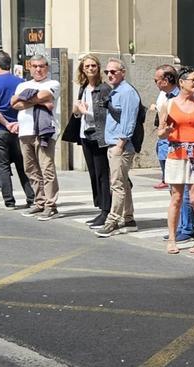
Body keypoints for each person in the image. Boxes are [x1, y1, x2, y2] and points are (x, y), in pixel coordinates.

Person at [160, 66, 194, 254]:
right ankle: (172, 239)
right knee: (175, 198)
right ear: (181, 82)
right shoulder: (169, 104)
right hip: (176, 153)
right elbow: (160, 132)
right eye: (193, 80)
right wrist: (165, 132)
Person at [11, 54, 62, 221]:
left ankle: (50, 205)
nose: (38, 69)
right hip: (25, 131)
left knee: (47, 168)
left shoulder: (53, 83)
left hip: (45, 131)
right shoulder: (23, 85)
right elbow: (14, 103)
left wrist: (29, 98)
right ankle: (39, 201)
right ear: (29, 68)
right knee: (30, 169)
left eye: (42, 66)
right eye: (35, 66)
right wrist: (40, 101)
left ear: (47, 67)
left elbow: (43, 95)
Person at [0, 51, 35, 209]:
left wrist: (6, 123)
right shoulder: (21, 82)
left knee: (2, 167)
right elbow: (28, 104)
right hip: (20, 130)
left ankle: (9, 201)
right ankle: (31, 197)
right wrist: (15, 123)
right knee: (23, 165)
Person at [152, 64, 194, 242]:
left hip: (183, 149)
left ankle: (187, 228)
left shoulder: (183, 100)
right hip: (166, 148)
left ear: (168, 79)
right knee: (174, 192)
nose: (156, 83)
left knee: (186, 192)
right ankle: (178, 227)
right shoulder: (165, 97)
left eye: (157, 80)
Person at [95, 58, 140, 236]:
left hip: (120, 145)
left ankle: (113, 220)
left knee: (117, 184)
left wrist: (120, 144)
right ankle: (128, 218)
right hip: (114, 143)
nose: (110, 75)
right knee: (123, 182)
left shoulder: (127, 92)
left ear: (123, 72)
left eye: (114, 71)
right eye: (107, 72)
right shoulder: (117, 91)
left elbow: (129, 119)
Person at [73, 54, 114, 230]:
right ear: (82, 69)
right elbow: (78, 113)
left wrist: (85, 112)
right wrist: (77, 111)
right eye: (87, 66)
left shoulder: (103, 89)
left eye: (93, 66)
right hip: (85, 134)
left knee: (102, 174)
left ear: (98, 68)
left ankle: (106, 210)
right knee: (92, 173)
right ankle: (100, 208)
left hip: (99, 135)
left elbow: (105, 115)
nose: (90, 69)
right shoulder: (83, 88)